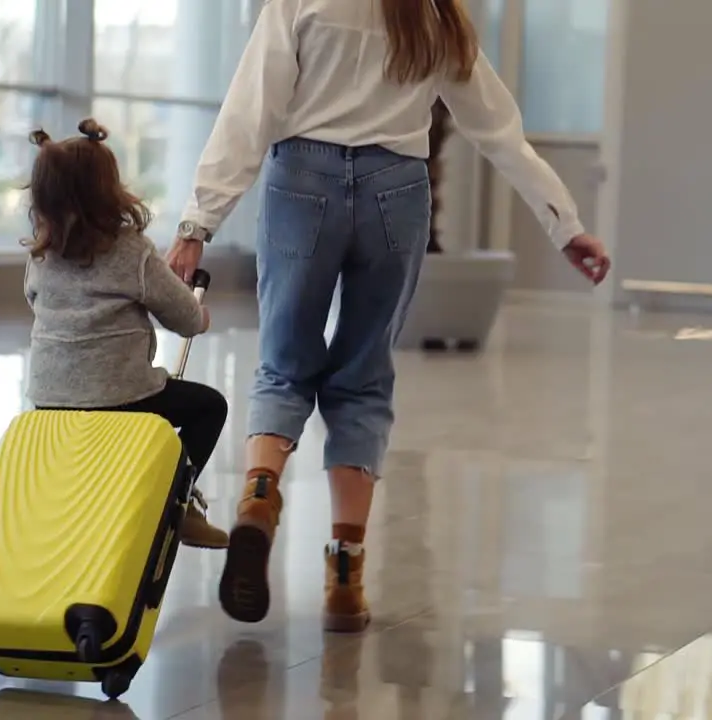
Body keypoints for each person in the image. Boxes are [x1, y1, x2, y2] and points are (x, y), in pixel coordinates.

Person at [165, 0, 612, 631]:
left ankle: (261, 494)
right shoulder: (434, 14)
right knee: (363, 376)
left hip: (303, 180)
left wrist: (196, 223)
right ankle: (345, 569)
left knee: (284, 362)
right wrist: (565, 224)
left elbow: (250, 110)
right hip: (396, 190)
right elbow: (497, 129)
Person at [23, 118, 230, 550]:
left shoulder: (41, 254)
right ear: (109, 191)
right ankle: (176, 499)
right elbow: (185, 319)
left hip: (48, 399)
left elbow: (34, 302)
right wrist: (201, 316)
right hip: (125, 400)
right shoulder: (132, 250)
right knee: (208, 407)